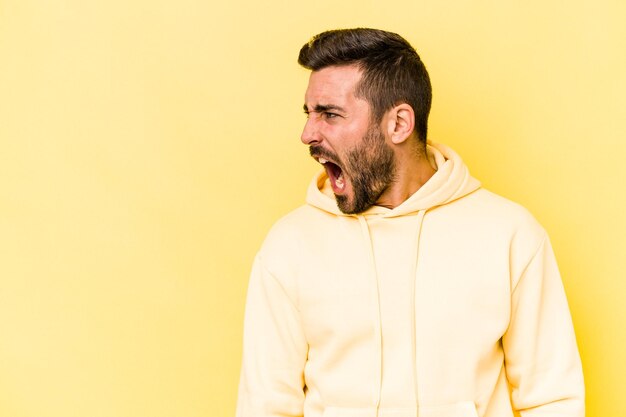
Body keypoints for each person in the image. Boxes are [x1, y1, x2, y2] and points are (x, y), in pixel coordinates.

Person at [236, 28, 584, 417]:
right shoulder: (289, 245)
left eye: (330, 114)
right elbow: (265, 406)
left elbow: (553, 399)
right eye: (309, 114)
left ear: (399, 123)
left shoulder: (511, 236)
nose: (307, 134)